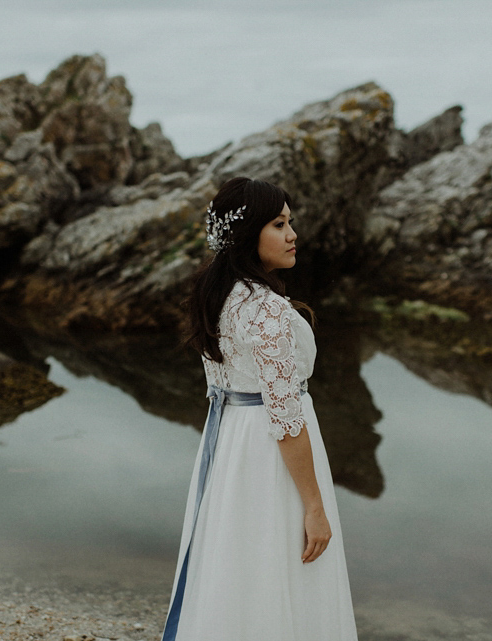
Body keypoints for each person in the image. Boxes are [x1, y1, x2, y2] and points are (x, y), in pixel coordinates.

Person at [160, 177, 359, 641]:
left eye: (290, 222)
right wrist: (314, 505)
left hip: (231, 444)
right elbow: (286, 419)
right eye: (278, 223)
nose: (292, 234)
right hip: (270, 452)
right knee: (286, 562)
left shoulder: (220, 295)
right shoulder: (265, 308)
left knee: (240, 566)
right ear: (249, 232)